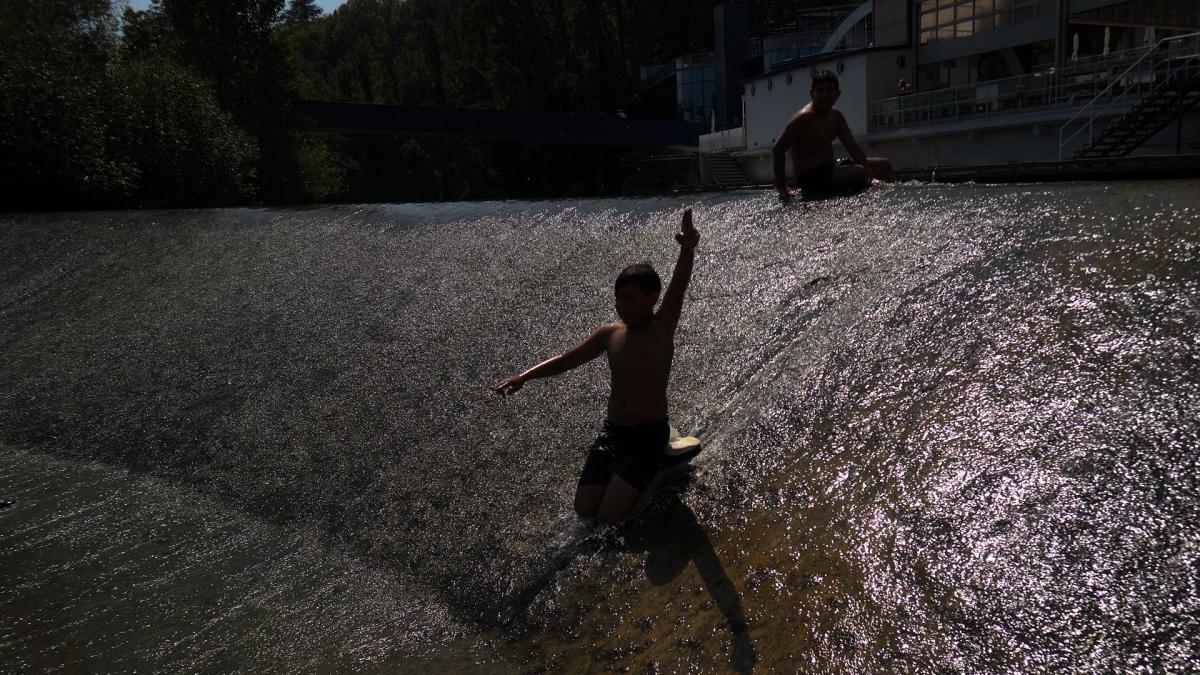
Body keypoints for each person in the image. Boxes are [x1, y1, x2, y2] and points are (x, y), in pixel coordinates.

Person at [491, 208, 700, 524]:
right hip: (613, 434)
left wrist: (687, 249)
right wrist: (525, 376)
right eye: (618, 298)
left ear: (651, 297)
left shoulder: (662, 327)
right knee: (585, 510)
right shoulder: (610, 334)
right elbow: (566, 360)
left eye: (629, 298)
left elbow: (679, 284)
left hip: (647, 436)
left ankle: (664, 469)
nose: (621, 305)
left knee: (613, 516)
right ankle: (642, 473)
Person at [773, 69, 895, 204]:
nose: (824, 95)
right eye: (820, 91)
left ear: (838, 94)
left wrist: (872, 177)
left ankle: (886, 203)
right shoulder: (803, 118)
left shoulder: (836, 116)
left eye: (829, 91)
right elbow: (778, 149)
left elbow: (853, 147)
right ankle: (867, 202)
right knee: (859, 172)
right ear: (811, 94)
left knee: (884, 165)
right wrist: (782, 187)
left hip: (831, 167)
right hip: (811, 177)